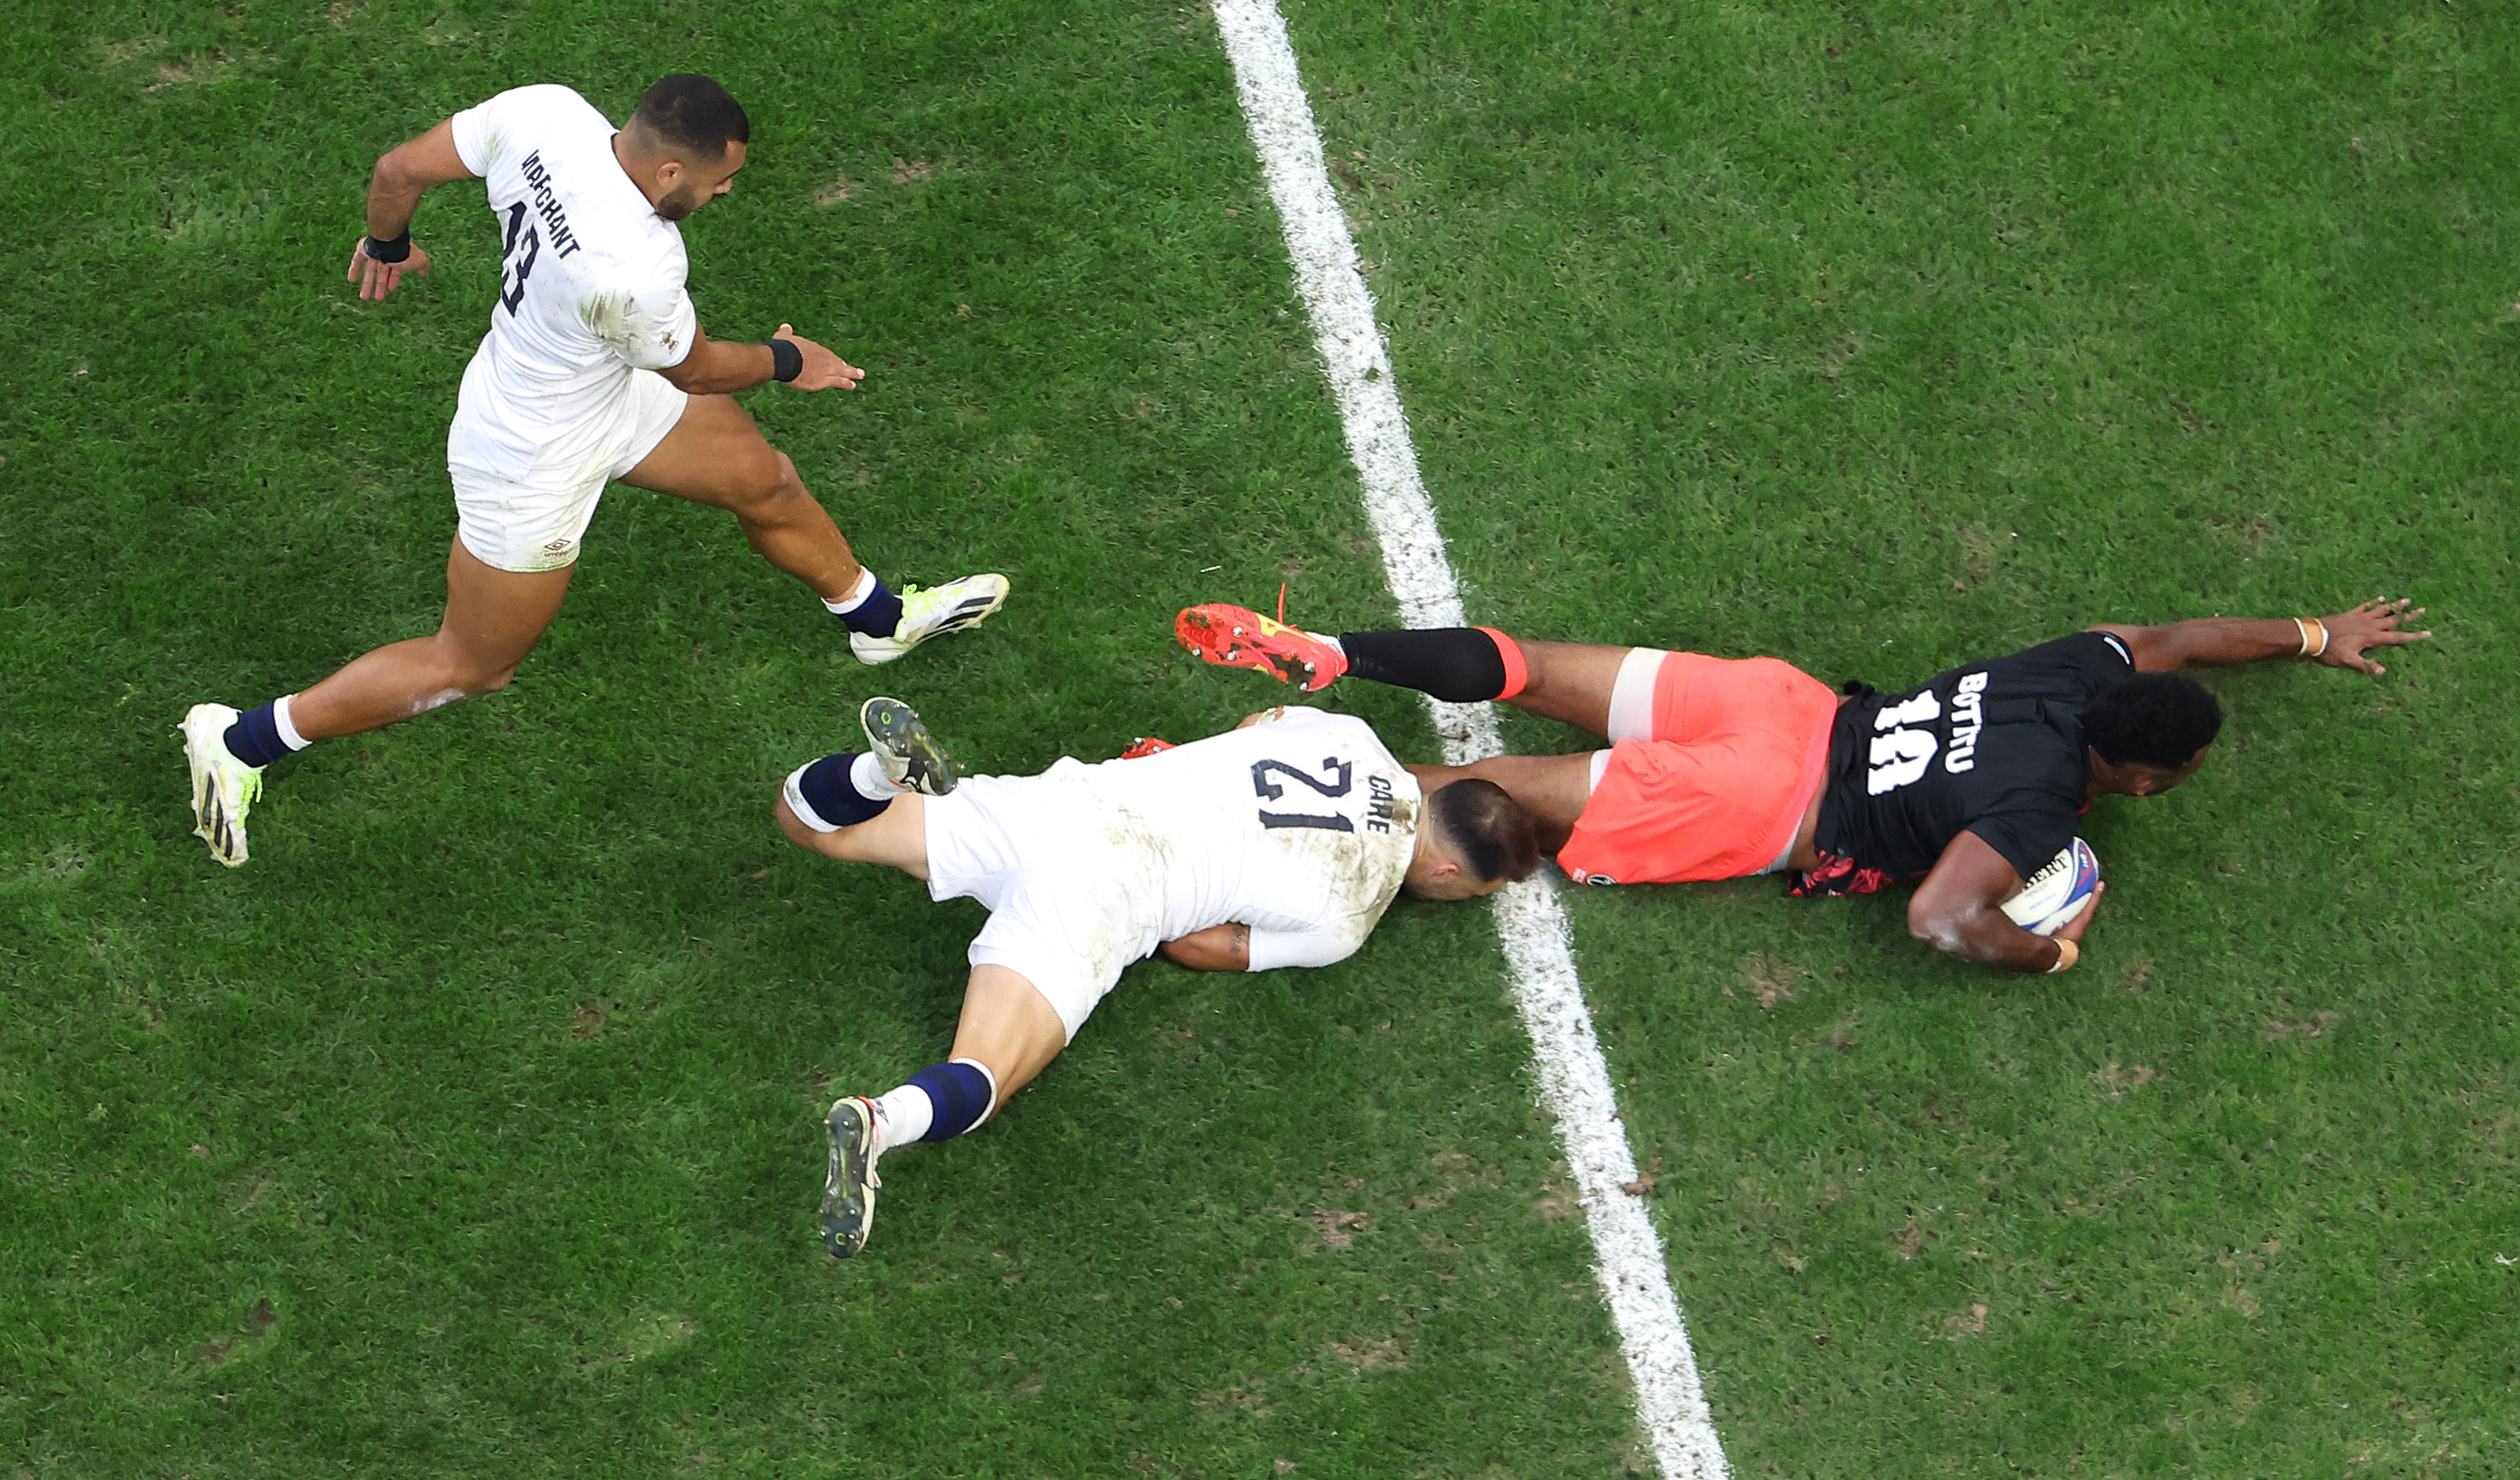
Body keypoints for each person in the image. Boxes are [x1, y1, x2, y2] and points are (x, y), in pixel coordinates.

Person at [180, 75, 1008, 866]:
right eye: (722, 182)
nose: (726, 195)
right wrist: (791, 358)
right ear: (672, 168)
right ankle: (239, 740)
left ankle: (875, 616)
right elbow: (699, 368)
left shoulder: (548, 115)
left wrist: (386, 240)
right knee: (472, 664)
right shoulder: (636, 268)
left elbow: (399, 169)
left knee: (764, 481)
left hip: (595, 382)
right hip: (531, 454)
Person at [1174, 596, 2433, 974]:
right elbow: (1941, 915)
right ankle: (1213, 815)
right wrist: (2046, 952)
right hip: (1764, 805)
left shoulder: (2079, 668)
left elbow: (2191, 636)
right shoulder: (2037, 807)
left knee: (1530, 664)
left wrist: (2314, 634)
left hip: (1782, 702)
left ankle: (1344, 657)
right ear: (2139, 780)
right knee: (1465, 808)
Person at [776, 695, 1542, 1257]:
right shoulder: (1349, 916)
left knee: (812, 826)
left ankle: (879, 774)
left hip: (1073, 802)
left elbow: (1247, 730)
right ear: (1446, 870)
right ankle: (881, 1122)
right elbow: (1202, 947)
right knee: (984, 1072)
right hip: (1106, 893)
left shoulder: (1350, 732)